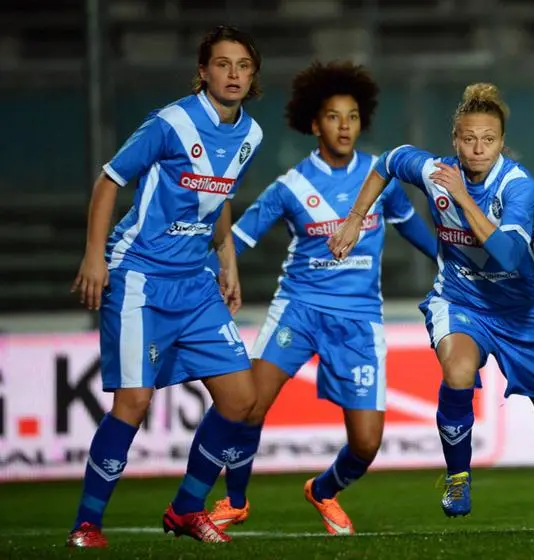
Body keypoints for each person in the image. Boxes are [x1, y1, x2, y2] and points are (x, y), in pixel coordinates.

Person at [328, 83, 534, 527]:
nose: (478, 149)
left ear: (501, 143)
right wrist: (355, 219)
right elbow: (387, 162)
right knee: (457, 371)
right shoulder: (435, 170)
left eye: (488, 140)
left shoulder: (517, 185)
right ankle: (458, 475)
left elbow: (511, 256)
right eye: (469, 139)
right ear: (455, 141)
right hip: (460, 299)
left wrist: (459, 196)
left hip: (520, 313)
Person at [204, 61, 437, 536]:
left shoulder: (380, 178)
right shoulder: (290, 187)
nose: (345, 125)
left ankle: (325, 489)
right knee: (247, 405)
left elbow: (415, 230)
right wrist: (210, 273)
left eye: (352, 116)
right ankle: (234, 499)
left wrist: (456, 264)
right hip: (299, 308)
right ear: (315, 123)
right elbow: (237, 239)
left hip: (358, 320)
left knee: (367, 444)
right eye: (334, 116)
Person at [67, 25, 264, 548]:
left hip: (195, 283)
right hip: (140, 277)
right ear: (203, 71)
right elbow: (110, 179)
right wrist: (94, 255)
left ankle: (185, 509)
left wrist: (228, 260)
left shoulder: (251, 135)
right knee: (132, 402)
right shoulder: (171, 122)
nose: (234, 75)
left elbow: (218, 197)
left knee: (241, 399)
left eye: (243, 66)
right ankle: (86, 524)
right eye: (222, 65)